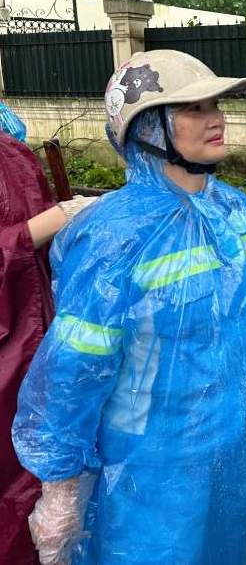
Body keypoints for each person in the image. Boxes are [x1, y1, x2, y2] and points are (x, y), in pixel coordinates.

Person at [12, 50, 246, 565]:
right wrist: (61, 487)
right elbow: (74, 367)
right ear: (145, 127)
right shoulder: (115, 236)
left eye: (215, 104)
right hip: (154, 475)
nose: (215, 117)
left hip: (243, 454)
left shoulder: (236, 212)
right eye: (193, 108)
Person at [1, 123, 95, 565]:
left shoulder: (15, 154)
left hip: (38, 343)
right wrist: (38, 228)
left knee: (41, 487)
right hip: (9, 348)